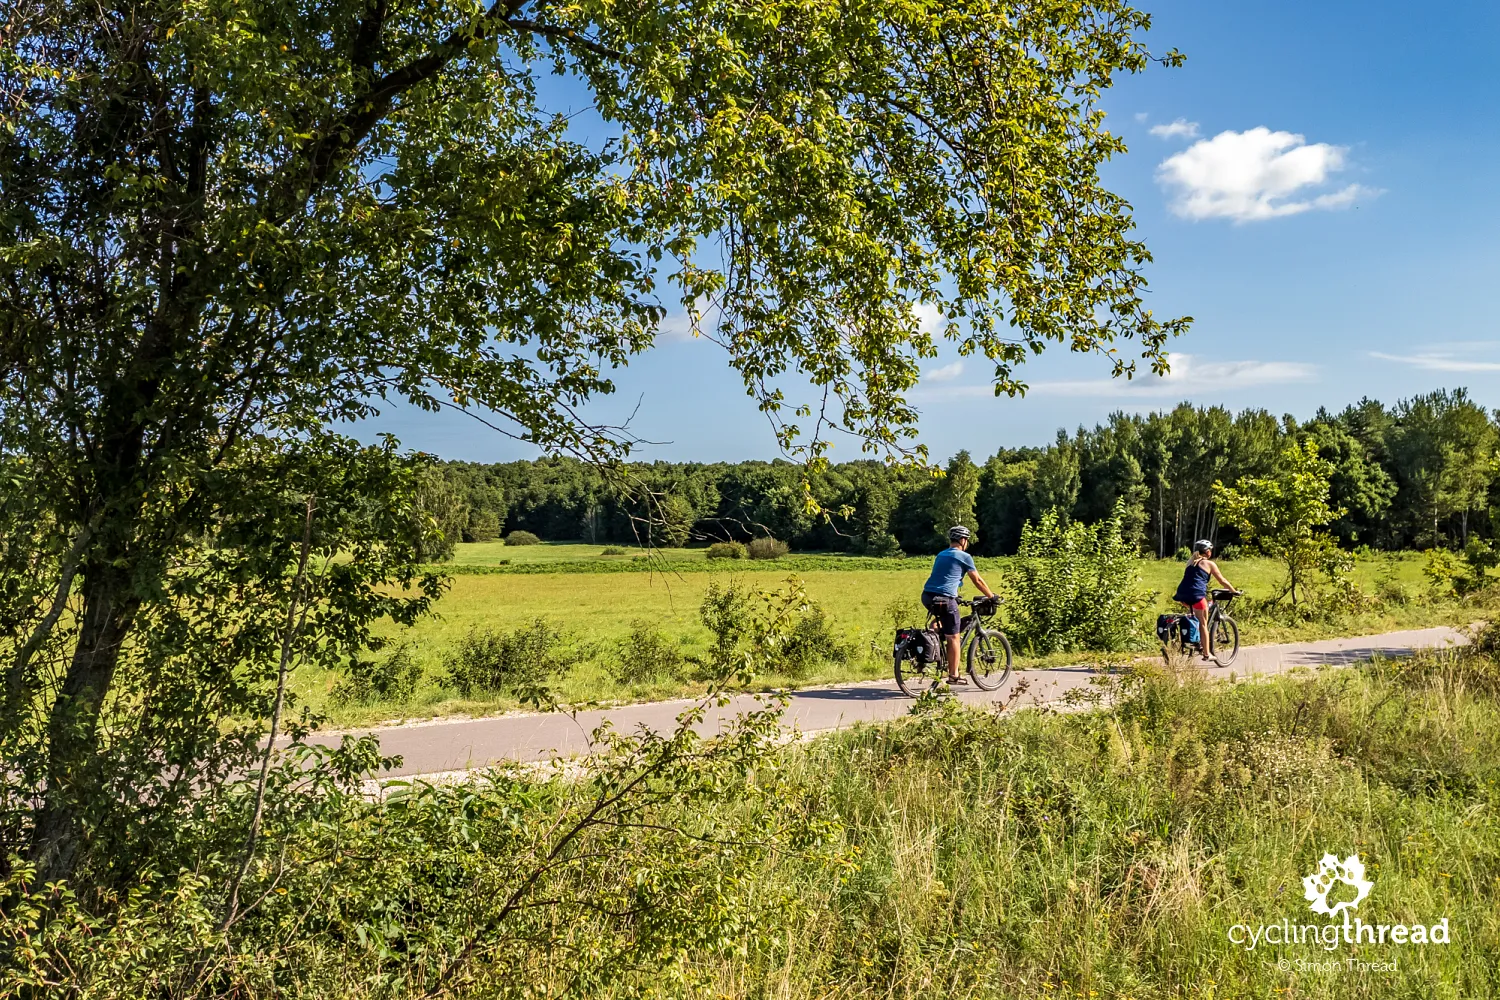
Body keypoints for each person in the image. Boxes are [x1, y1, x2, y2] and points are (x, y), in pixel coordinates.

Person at [920, 526, 996, 684]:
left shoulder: (941, 554)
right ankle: (954, 675)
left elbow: (944, 577)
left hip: (927, 596)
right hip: (945, 599)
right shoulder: (964, 556)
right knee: (953, 636)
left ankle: (935, 641)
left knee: (942, 623)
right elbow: (977, 580)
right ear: (963, 540)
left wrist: (956, 595)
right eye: (966, 540)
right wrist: (991, 596)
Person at [1174, 539, 1236, 661]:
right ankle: (1207, 654)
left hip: (1182, 595)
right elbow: (1222, 581)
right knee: (1203, 624)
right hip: (1196, 595)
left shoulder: (1190, 562)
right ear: (1207, 552)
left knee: (1196, 615)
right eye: (1210, 550)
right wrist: (1233, 591)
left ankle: (1194, 639)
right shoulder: (1209, 564)